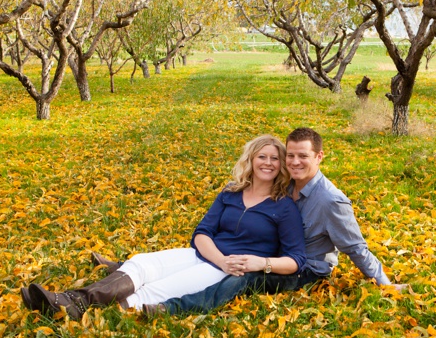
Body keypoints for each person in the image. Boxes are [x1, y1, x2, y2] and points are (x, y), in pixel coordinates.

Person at [22, 135, 307, 317]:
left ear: (281, 165)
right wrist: (219, 258)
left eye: (274, 159)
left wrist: (260, 263)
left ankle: (92, 315)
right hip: (206, 256)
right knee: (140, 264)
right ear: (251, 160)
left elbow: (295, 260)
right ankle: (68, 301)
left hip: (228, 270)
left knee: (157, 290)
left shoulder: (284, 207)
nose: (267, 163)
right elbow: (202, 233)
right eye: (262, 156)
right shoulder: (231, 192)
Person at [129, 126, 400, 316]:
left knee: (244, 277)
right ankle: (133, 271)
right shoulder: (287, 185)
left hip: (304, 270)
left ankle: (172, 308)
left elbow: (356, 248)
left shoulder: (331, 201)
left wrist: (385, 284)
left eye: (303, 156)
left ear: (319, 157)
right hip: (275, 254)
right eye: (290, 156)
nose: (294, 162)